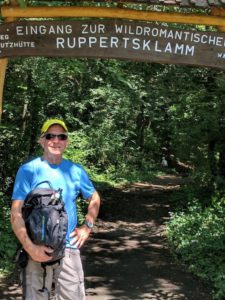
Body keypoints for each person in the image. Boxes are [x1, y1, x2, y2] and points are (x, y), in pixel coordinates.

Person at [11, 118, 101, 300]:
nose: (56, 140)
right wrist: (30, 248)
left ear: (66, 141)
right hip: (35, 248)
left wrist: (87, 226)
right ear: (42, 140)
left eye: (61, 136)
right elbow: (16, 213)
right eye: (50, 135)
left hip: (68, 247)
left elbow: (94, 197)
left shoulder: (75, 171)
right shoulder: (28, 170)